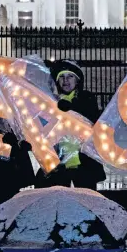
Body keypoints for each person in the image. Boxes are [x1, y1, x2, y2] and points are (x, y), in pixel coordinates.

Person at [33, 59, 106, 189]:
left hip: (83, 161)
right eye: (61, 77)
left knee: (86, 198)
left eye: (70, 76)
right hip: (58, 161)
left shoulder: (87, 98)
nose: (65, 80)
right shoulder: (50, 100)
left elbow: (92, 120)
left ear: (77, 80)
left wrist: (71, 108)